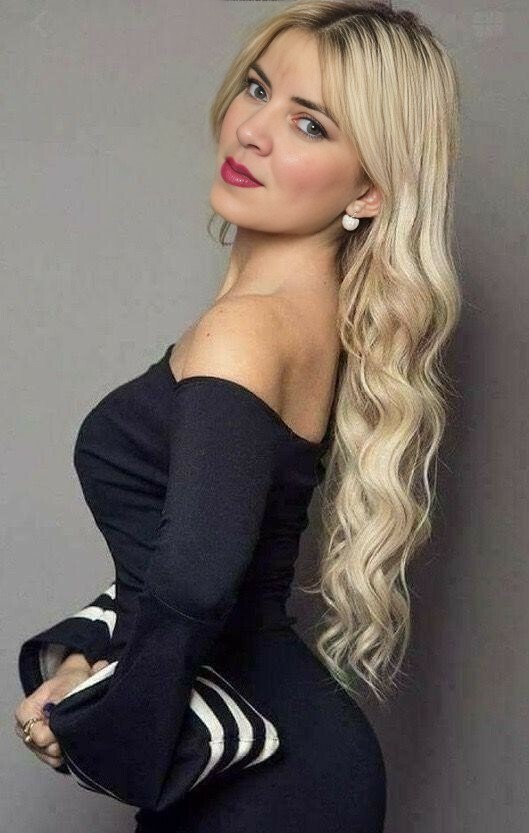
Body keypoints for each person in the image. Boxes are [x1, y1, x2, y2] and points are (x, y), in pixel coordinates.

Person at [14, 1, 462, 830]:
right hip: (280, 756)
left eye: (309, 124)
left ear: (369, 188)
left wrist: (101, 731)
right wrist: (89, 660)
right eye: (258, 89)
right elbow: (188, 554)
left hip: (262, 783)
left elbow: (194, 582)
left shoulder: (247, 330)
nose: (253, 130)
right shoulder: (302, 320)